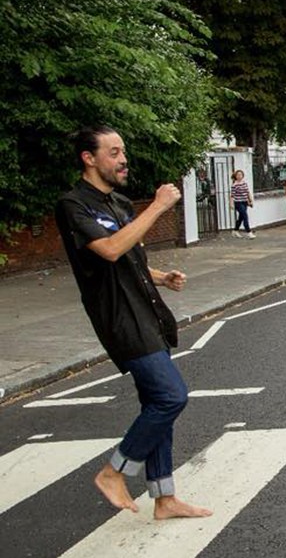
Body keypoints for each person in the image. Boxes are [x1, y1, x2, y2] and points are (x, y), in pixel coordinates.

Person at [55, 126, 212, 520]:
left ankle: (164, 498)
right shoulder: (74, 205)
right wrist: (157, 207)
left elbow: (130, 256)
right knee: (171, 396)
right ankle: (114, 472)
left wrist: (160, 277)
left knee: (156, 403)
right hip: (119, 317)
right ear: (88, 159)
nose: (123, 159)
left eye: (123, 150)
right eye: (113, 152)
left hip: (146, 310)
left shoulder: (120, 203)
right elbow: (109, 250)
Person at [229, 169, 255, 239]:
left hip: (245, 202)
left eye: (241, 175)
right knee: (245, 216)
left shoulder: (244, 183)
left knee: (241, 217)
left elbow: (247, 192)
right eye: (238, 175)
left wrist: (250, 201)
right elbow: (232, 195)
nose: (239, 176)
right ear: (236, 176)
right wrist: (231, 204)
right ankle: (249, 232)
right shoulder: (234, 185)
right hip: (238, 202)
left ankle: (235, 230)